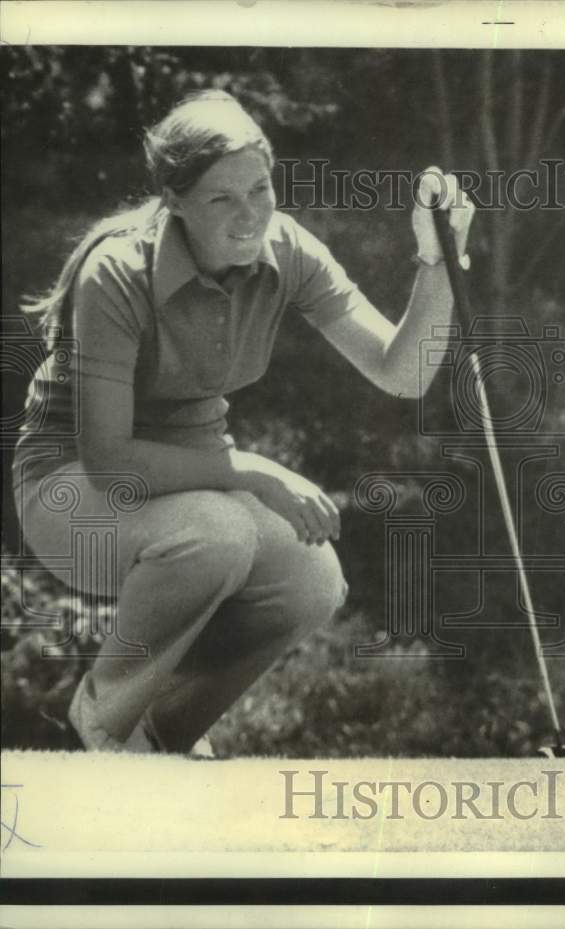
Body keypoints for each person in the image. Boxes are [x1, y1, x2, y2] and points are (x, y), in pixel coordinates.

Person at [12, 90, 474, 755]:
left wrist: (439, 260)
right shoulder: (115, 271)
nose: (249, 215)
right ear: (175, 202)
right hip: (71, 490)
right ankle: (105, 712)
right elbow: (111, 460)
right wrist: (253, 470)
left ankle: (162, 727)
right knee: (220, 532)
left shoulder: (286, 248)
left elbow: (401, 371)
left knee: (310, 579)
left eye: (260, 190)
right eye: (221, 200)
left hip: (191, 493)